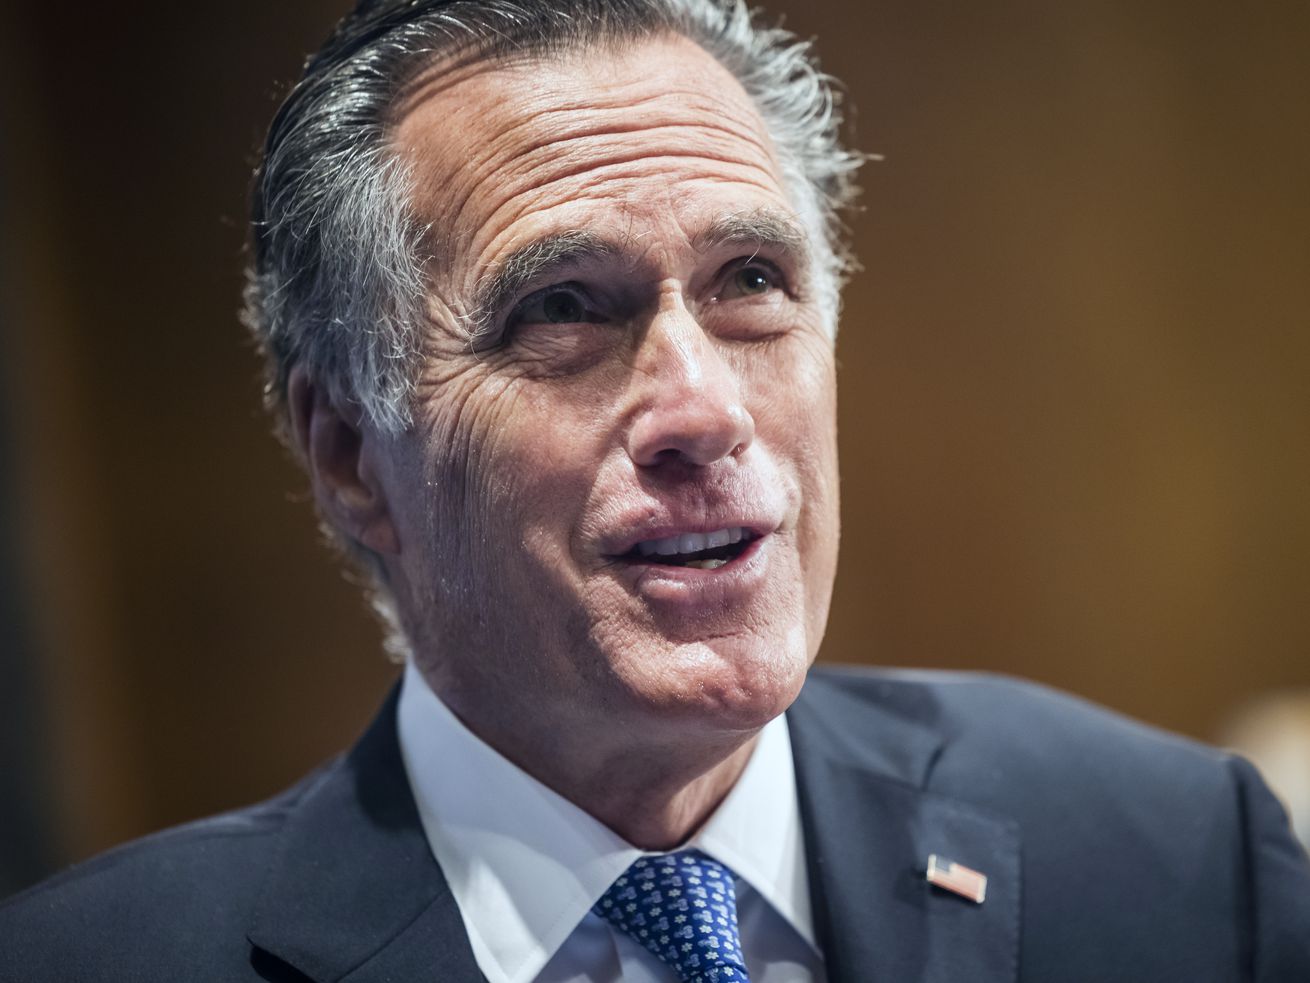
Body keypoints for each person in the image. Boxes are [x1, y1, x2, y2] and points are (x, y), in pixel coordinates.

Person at [2, 1, 1308, 980]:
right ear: (352, 459)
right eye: (561, 308)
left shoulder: (1173, 856)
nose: (704, 410)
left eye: (750, 282)